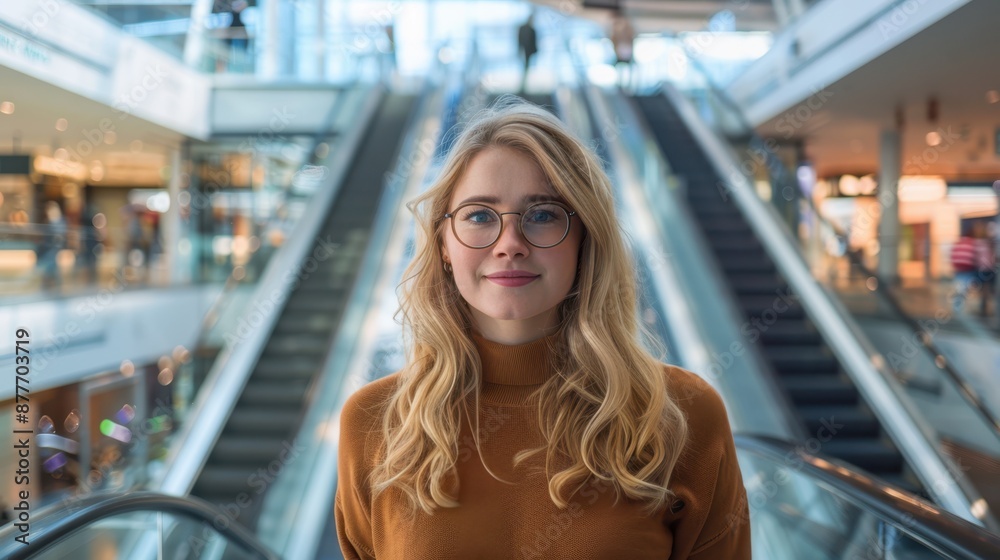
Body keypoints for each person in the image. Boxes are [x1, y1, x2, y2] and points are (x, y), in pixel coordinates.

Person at [335, 101, 751, 558]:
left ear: (584, 240)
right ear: (444, 244)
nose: (510, 245)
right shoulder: (375, 423)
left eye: (543, 214)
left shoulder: (682, 414)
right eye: (478, 215)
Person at [950, 224, 977, 312]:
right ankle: (959, 304)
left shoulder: (958, 243)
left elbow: (952, 255)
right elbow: (974, 257)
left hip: (958, 269)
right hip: (968, 269)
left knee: (959, 287)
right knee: (965, 288)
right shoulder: (973, 243)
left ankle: (957, 305)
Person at [611, 11, 636, 90]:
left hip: (622, 32)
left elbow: (630, 40)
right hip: (622, 32)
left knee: (621, 27)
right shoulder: (623, 52)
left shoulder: (625, 52)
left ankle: (622, 15)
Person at [517, 14, 537, 94]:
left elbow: (533, 41)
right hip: (525, 49)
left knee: (526, 66)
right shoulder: (525, 28)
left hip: (528, 51)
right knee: (524, 66)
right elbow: (520, 39)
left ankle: (524, 84)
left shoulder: (531, 29)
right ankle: (522, 84)